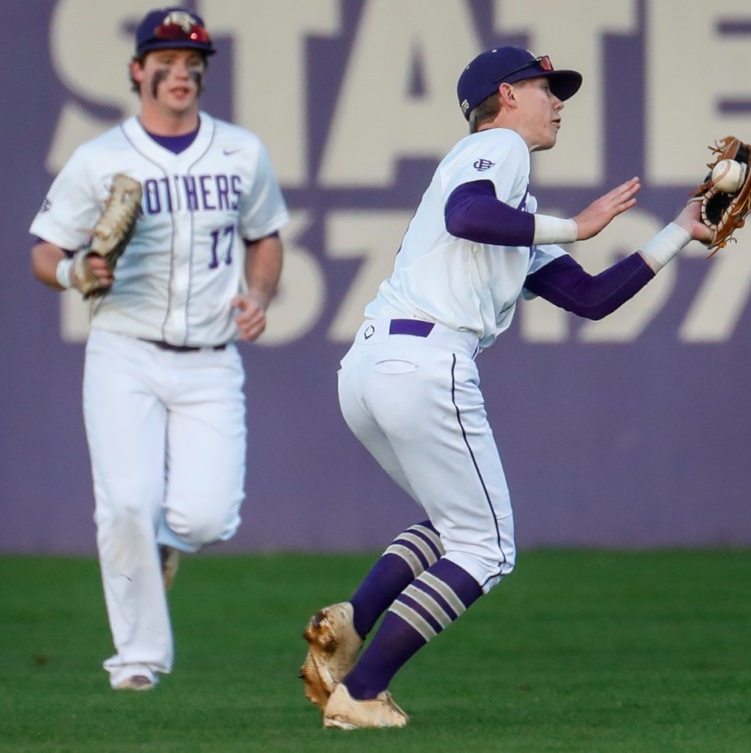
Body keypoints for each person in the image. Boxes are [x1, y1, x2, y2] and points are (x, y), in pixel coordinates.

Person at [298, 46, 713, 730]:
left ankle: (348, 631)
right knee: (488, 546)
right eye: (545, 88)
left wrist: (678, 232)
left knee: (450, 521)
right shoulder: (497, 149)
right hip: (427, 359)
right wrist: (579, 225)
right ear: (506, 95)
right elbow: (469, 213)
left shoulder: (510, 208)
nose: (557, 102)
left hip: (371, 366)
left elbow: (589, 297)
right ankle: (363, 690)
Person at [29, 7, 288, 691]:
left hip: (208, 355)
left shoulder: (240, 150)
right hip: (125, 348)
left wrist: (258, 297)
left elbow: (265, 234)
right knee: (123, 505)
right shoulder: (101, 158)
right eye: (166, 61)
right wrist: (74, 272)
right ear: (137, 70)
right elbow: (46, 252)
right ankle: (137, 658)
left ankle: (168, 547)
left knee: (208, 515)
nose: (181, 72)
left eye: (192, 62)